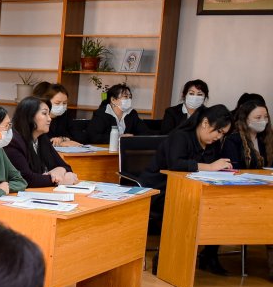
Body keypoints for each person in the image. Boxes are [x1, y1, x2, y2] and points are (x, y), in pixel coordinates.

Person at [140, 105, 232, 274]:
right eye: (218, 131)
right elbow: (176, 164)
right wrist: (210, 167)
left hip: (189, 190)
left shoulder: (211, 144)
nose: (219, 137)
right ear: (205, 123)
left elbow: (211, 167)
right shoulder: (181, 136)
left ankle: (209, 255)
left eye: (223, 134)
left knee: (217, 205)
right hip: (159, 189)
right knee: (187, 206)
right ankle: (165, 259)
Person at [5, 97, 80, 187]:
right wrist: (60, 180)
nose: (49, 119)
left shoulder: (42, 138)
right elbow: (26, 179)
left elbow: (67, 167)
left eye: (49, 114)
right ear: (29, 116)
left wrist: (60, 169)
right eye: (44, 114)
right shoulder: (13, 141)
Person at [87, 84, 153, 143]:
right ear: (113, 100)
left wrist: (132, 137)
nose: (129, 99)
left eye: (130, 97)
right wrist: (118, 137)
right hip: (105, 148)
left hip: (124, 148)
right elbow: (93, 136)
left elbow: (145, 132)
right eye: (125, 96)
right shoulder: (101, 114)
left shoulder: (132, 113)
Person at [223, 98, 270, 170]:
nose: (263, 121)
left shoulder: (264, 138)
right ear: (245, 119)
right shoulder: (233, 140)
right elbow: (233, 168)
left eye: (266, 117)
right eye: (258, 117)